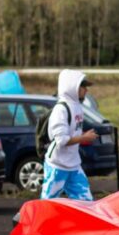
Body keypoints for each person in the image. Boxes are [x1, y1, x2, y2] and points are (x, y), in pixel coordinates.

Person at [40, 69, 97, 200]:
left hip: (74, 165)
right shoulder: (60, 109)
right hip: (57, 165)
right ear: (73, 87)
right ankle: (37, 221)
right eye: (83, 86)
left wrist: (83, 136)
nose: (86, 90)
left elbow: (72, 132)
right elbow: (61, 140)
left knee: (87, 203)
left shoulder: (77, 107)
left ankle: (83, 221)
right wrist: (83, 138)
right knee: (47, 203)